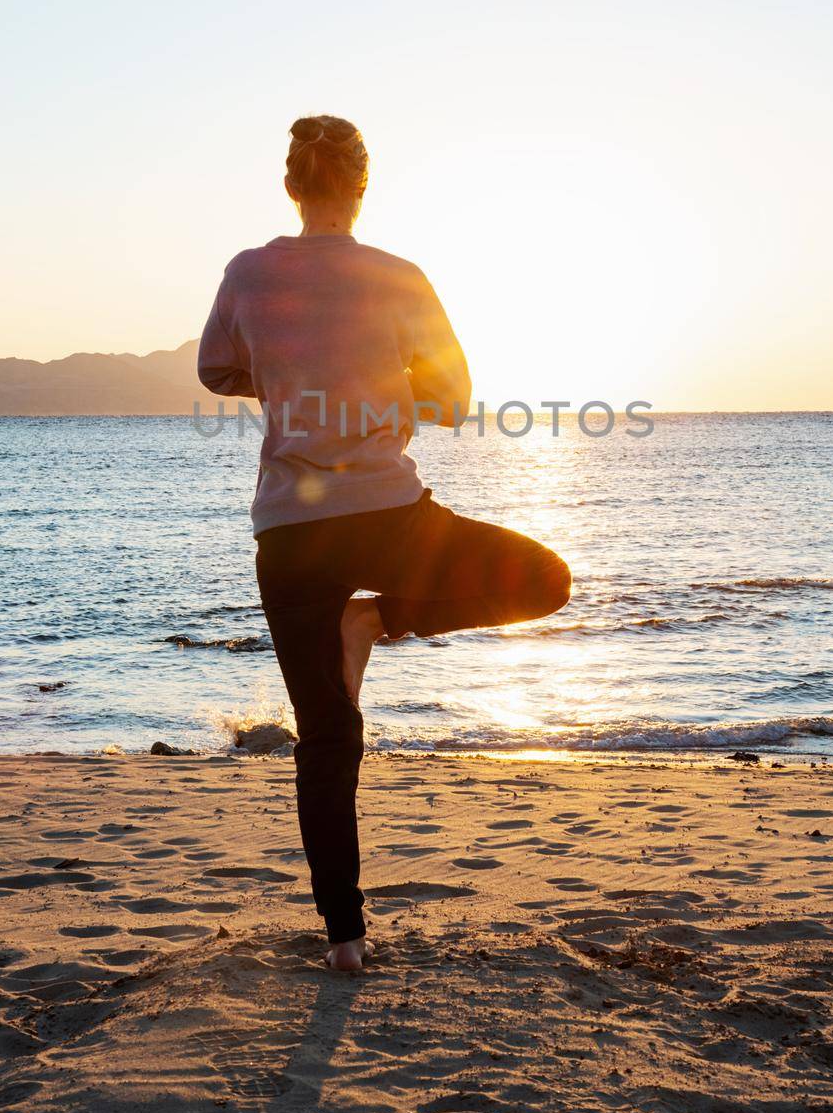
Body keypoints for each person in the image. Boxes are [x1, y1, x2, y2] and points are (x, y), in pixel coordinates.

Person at [198, 116, 572, 969]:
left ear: (292, 187)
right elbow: (454, 396)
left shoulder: (249, 273)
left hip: (290, 530)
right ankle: (380, 622)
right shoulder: (400, 278)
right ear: (361, 189)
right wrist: (382, 382)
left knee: (327, 736)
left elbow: (216, 370)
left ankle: (345, 940)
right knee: (546, 581)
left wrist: (290, 375)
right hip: (390, 517)